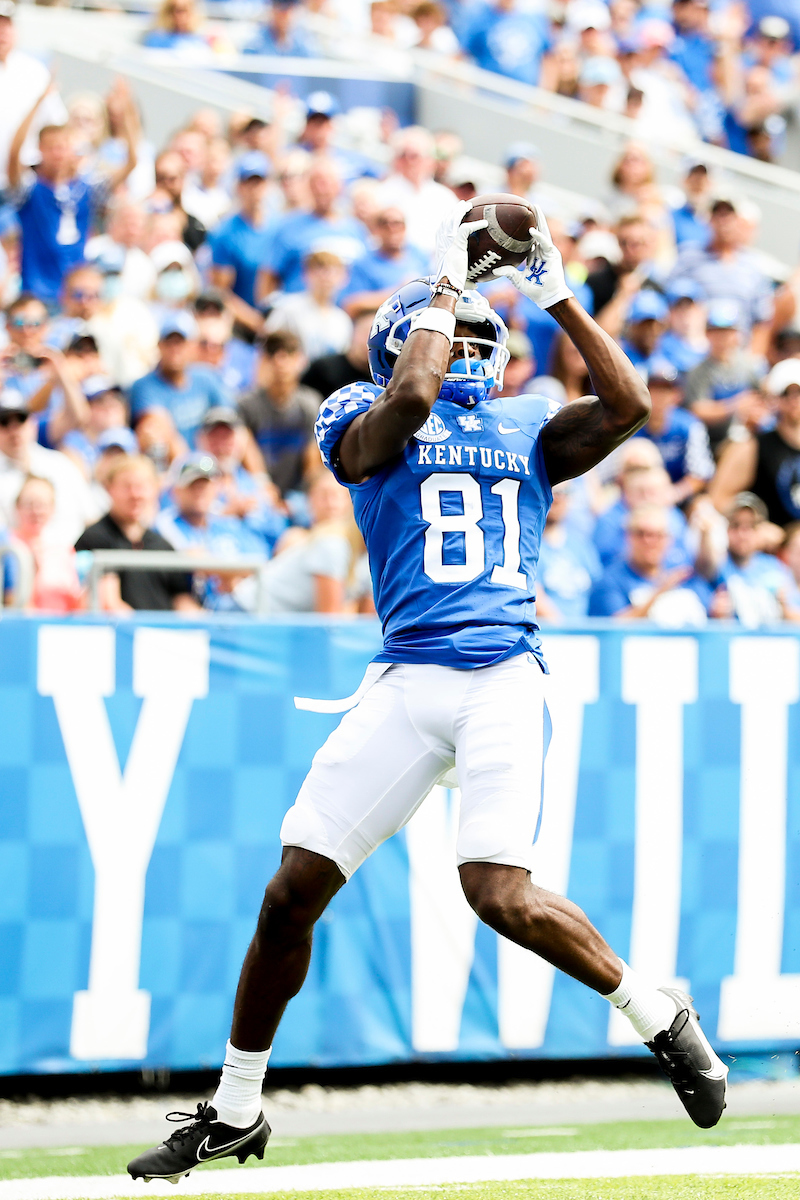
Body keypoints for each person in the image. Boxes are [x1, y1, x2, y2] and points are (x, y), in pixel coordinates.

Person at [128, 203, 727, 1187]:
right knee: (290, 893)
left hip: (498, 674)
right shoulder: (354, 410)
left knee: (497, 894)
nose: (466, 355)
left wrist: (555, 294)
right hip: (406, 676)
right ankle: (234, 1110)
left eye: (479, 341)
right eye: (452, 337)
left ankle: (657, 1015)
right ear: (401, 342)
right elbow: (402, 409)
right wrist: (450, 279)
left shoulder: (525, 420)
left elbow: (625, 407)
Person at [8, 85, 137, 305]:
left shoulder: (88, 188)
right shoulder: (30, 188)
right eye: (52, 147)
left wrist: (125, 113)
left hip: (74, 295)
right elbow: (13, 156)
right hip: (34, 291)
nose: (58, 153)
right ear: (41, 149)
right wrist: (37, 104)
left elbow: (131, 161)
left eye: (63, 146)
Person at [75, 454, 197, 612]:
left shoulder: (161, 544)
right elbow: (109, 604)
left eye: (142, 486)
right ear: (109, 488)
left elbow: (182, 599)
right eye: (127, 486)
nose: (135, 495)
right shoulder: (95, 538)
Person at [155, 452, 266, 609]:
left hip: (236, 609)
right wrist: (231, 572)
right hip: (192, 609)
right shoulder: (165, 523)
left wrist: (226, 575)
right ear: (176, 491)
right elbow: (190, 558)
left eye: (205, 484)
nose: (199, 491)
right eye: (192, 485)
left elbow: (259, 562)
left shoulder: (226, 522)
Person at [670, 197, 774, 354]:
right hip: (694, 348)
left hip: (738, 351)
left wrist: (753, 357)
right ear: (709, 221)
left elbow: (763, 319)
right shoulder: (689, 257)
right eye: (718, 215)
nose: (723, 222)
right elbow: (670, 300)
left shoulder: (753, 266)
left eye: (728, 216)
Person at [709, 358, 800, 527]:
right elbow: (718, 499)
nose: (794, 400)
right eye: (786, 393)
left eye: (799, 392)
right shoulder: (753, 446)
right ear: (775, 398)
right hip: (772, 546)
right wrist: (756, 526)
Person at [0, 387, 97, 545]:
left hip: (71, 560)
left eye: (21, 420)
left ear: (32, 423)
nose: (14, 430)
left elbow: (91, 517)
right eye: (4, 422)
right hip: (16, 562)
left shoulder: (61, 465)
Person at [259, 158, 367, 296]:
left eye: (328, 182)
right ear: (309, 186)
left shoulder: (356, 229)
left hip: (344, 314)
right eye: (317, 182)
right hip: (299, 312)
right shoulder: (289, 226)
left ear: (340, 187)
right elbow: (268, 276)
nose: (322, 189)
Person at [589, 503, 709, 624]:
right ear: (627, 536)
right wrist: (659, 594)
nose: (650, 541)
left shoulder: (684, 575)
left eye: (658, 535)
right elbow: (613, 631)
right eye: (641, 534)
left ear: (670, 540)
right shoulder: (610, 581)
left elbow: (709, 617)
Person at [130, 311, 229, 457]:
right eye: (169, 342)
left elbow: (233, 420)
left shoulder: (206, 377)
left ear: (191, 346)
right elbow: (160, 427)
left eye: (180, 342)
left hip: (211, 459)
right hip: (175, 467)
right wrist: (191, 467)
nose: (175, 349)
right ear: (159, 345)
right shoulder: (144, 387)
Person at [259, 470, 357, 612]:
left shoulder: (351, 548)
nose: (331, 503)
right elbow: (330, 616)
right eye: (324, 495)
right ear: (309, 499)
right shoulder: (297, 538)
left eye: (338, 495)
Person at [239, 330, 322, 497]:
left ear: (301, 360)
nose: (280, 361)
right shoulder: (247, 404)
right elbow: (246, 451)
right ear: (263, 360)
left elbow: (311, 464)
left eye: (289, 353)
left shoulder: (310, 403)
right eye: (273, 353)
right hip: (256, 491)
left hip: (298, 495)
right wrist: (264, 489)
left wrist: (306, 497)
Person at [0, 1, 68, 192]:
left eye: (7, 24)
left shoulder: (34, 72)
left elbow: (57, 124)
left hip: (24, 180)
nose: (3, 31)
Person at [683, 298, 766, 451]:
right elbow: (698, 410)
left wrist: (755, 413)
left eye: (727, 332)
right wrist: (735, 406)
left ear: (736, 334)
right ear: (708, 334)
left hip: (746, 439)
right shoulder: (698, 372)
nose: (722, 338)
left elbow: (762, 399)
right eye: (717, 332)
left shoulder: (749, 366)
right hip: (711, 443)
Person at [208, 151, 276, 330]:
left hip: (276, 320)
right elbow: (221, 292)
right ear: (239, 186)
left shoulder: (279, 227)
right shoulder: (225, 232)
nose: (255, 188)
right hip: (242, 327)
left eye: (259, 181)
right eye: (249, 182)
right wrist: (257, 324)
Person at [710, 492, 799, 626]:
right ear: (726, 528)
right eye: (735, 525)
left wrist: (783, 606)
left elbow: (794, 616)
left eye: (751, 526)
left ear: (760, 530)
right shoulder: (716, 565)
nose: (742, 534)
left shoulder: (775, 568)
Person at [634, 359, 714, 502]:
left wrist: (673, 494)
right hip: (635, 496)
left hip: (678, 498)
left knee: (703, 508)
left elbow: (701, 474)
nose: (660, 397)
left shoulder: (689, 425)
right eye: (655, 390)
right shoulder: (631, 425)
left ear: (677, 395)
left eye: (666, 391)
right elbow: (612, 471)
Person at [5, 474, 83, 611]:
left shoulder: (63, 549)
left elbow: (75, 599)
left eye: (42, 505)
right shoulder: (7, 545)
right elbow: (11, 600)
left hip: (63, 625)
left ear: (53, 509)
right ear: (17, 506)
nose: (36, 511)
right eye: (29, 504)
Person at [593, 463, 694, 568]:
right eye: (641, 492)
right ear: (627, 494)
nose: (647, 499)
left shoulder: (674, 517)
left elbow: (686, 559)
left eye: (652, 492)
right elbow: (604, 563)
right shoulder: (609, 520)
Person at [376, 126, 457, 256]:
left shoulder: (445, 198)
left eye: (414, 156)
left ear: (430, 159)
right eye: (403, 155)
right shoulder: (383, 193)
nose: (409, 161)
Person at [339, 208, 428, 318]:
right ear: (376, 229)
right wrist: (400, 293)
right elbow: (351, 304)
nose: (392, 229)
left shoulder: (419, 256)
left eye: (398, 223)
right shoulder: (364, 263)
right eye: (385, 223)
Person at [266, 251, 352, 362]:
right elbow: (267, 348)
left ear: (344, 277)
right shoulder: (288, 309)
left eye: (333, 271)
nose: (326, 277)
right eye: (319, 270)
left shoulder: (343, 320)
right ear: (306, 274)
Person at [536, 481, 601, 619]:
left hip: (582, 633)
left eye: (563, 493)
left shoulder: (582, 546)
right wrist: (567, 632)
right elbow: (535, 596)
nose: (556, 499)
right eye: (551, 492)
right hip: (547, 633)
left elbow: (597, 591)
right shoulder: (528, 545)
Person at [301, 306, 376, 398]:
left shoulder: (385, 377)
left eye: (375, 336)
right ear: (353, 333)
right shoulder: (323, 369)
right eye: (365, 333)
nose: (369, 342)